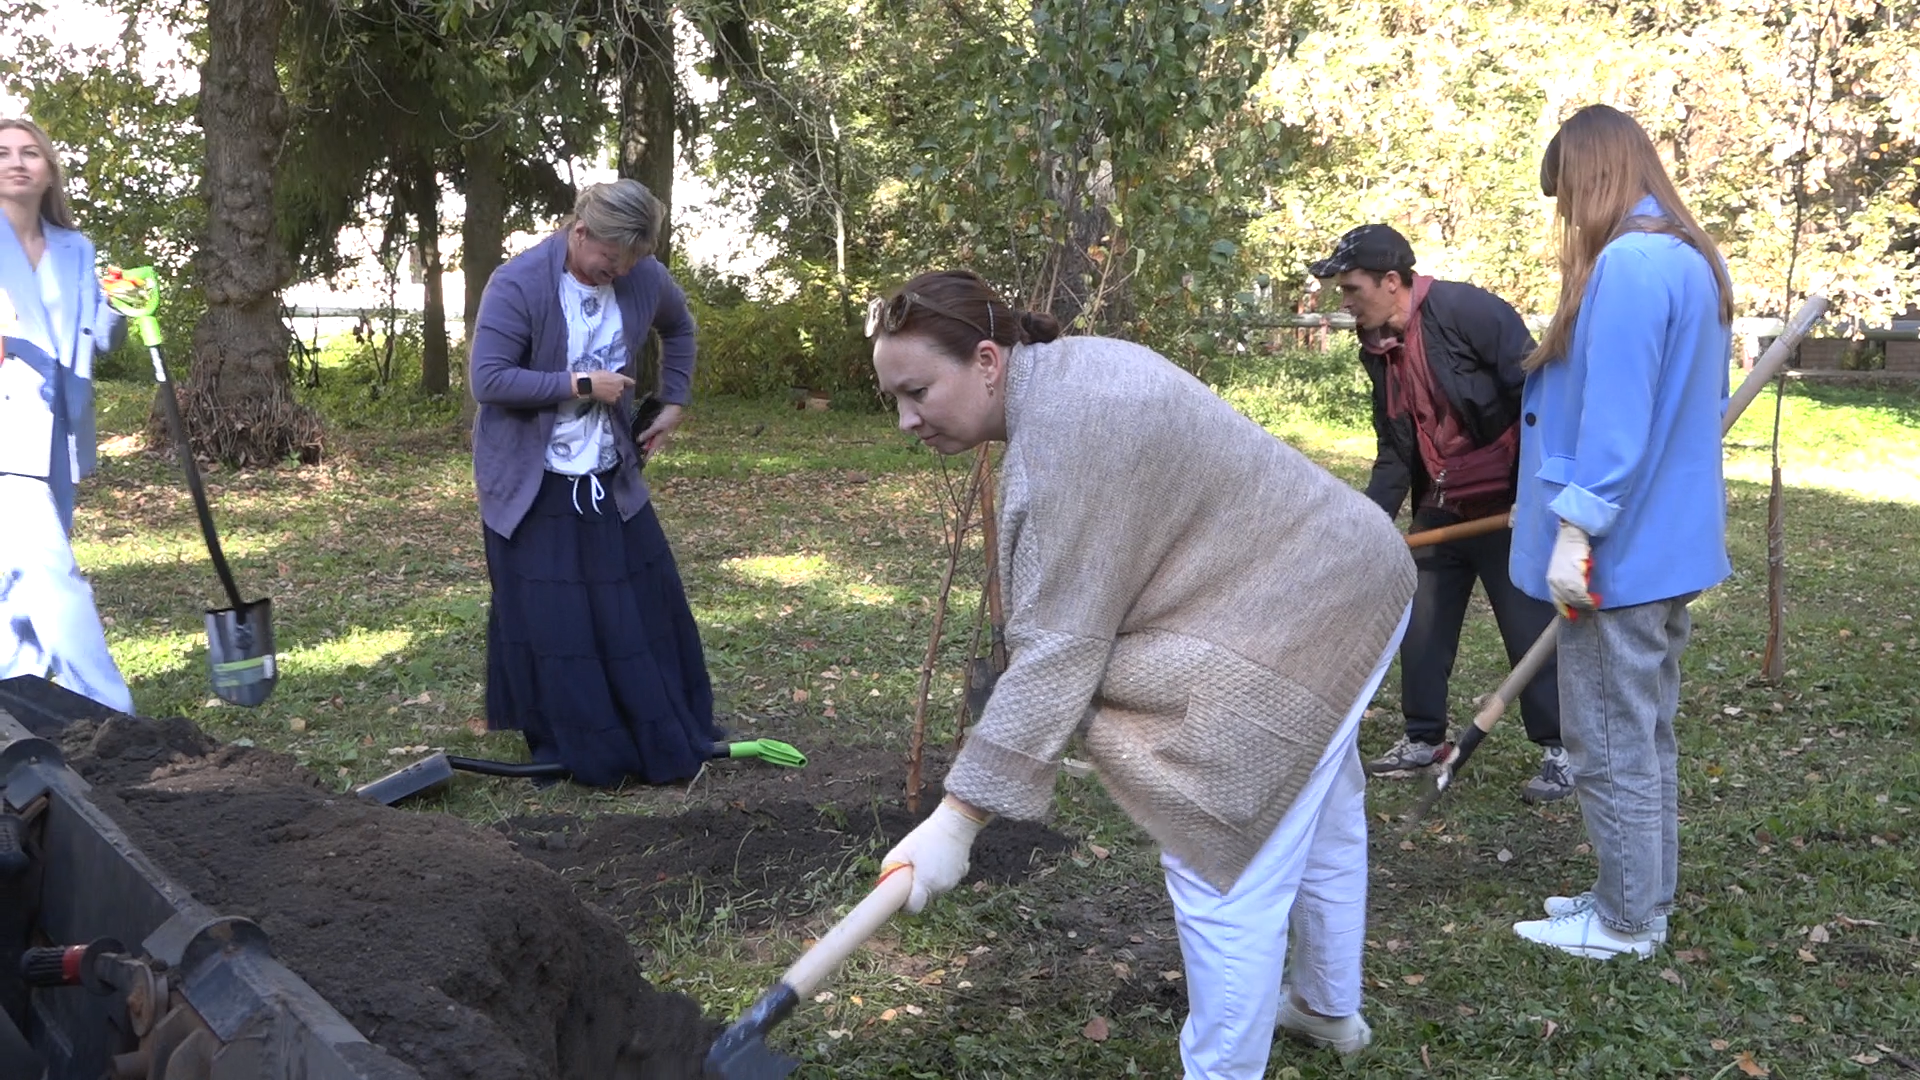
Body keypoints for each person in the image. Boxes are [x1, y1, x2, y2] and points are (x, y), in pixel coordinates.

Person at [867, 270, 1417, 1079]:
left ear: (987, 360)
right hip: (1345, 573)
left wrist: (958, 821)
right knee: (1325, 806)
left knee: (1222, 859)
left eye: (918, 391)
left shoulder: (1067, 432)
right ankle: (1329, 1011)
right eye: (896, 401)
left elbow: (1059, 646)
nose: (909, 419)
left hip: (1314, 606)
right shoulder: (1068, 376)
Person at [1508, 104, 1734, 959]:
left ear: (1594, 175)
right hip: (1664, 547)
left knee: (1605, 742)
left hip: (1620, 557)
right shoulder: (1685, 258)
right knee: (1644, 734)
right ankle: (1632, 894)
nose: (1567, 216)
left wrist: (1577, 530)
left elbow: (1617, 423)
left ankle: (1628, 922)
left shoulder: (1633, 265)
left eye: (1568, 195)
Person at [468, 179, 720, 786]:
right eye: (610, 259)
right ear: (580, 233)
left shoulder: (641, 276)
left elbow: (678, 326)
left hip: (610, 473)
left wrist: (675, 402)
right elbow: (489, 380)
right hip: (534, 482)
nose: (619, 272)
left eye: (631, 262)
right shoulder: (519, 283)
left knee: (639, 601)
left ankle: (653, 726)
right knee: (558, 619)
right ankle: (577, 746)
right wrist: (581, 385)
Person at [1309, 224, 1571, 803]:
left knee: (1526, 624)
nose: (1346, 302)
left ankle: (1563, 751)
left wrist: (1537, 494)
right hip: (1442, 505)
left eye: (1352, 289)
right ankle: (1422, 739)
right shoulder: (1377, 347)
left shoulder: (1468, 312)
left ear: (1394, 282)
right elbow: (1395, 448)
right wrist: (1369, 524)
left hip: (1506, 505)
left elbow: (1538, 398)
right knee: (1420, 621)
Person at [0, 117, 132, 713]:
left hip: (59, 434)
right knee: (55, 579)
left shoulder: (76, 249)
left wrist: (124, 305)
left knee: (14, 592)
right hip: (6, 432)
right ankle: (108, 711)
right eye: (2, 152)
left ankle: (16, 707)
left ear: (49, 168)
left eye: (31, 152)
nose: (17, 161)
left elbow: (102, 339)